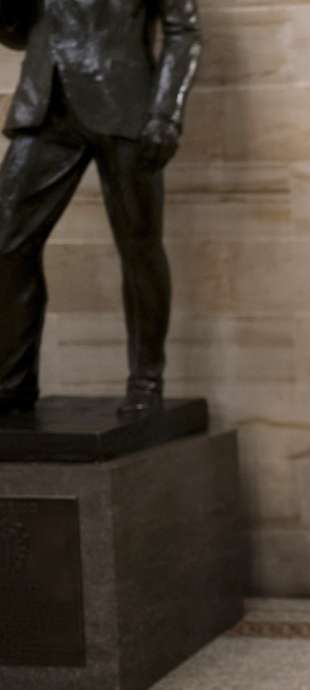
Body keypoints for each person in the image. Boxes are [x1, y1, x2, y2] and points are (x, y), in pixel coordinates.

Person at [0, 0, 201, 415]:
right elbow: (19, 34)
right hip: (45, 106)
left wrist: (166, 113)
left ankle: (146, 380)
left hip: (125, 106)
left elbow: (184, 31)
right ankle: (13, 385)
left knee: (139, 246)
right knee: (7, 242)